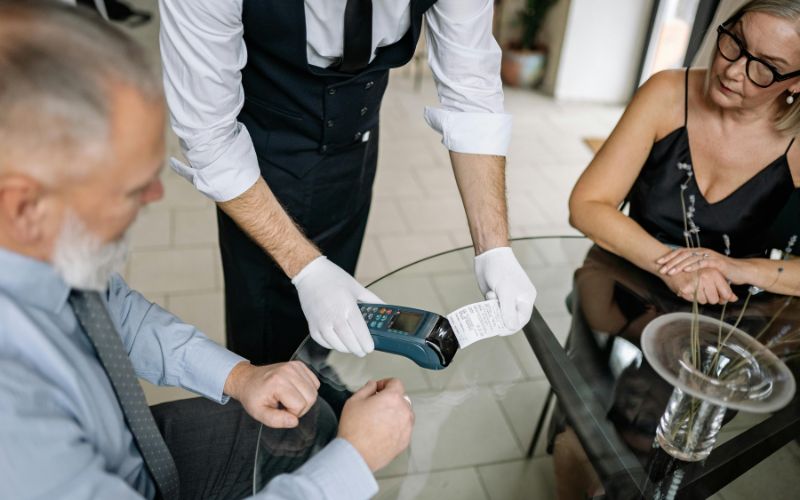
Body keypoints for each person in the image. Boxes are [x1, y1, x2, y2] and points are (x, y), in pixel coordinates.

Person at [0, 2, 413, 499]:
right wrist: (355, 463)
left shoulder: (33, 249)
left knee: (307, 425)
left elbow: (112, 315)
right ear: (24, 205)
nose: (155, 198)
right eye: (130, 189)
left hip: (127, 447)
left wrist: (240, 377)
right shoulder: (16, 423)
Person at [158, 0, 538, 364]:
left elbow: (471, 89)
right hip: (261, 164)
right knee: (268, 339)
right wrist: (307, 269)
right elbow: (208, 138)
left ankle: (318, 370)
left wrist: (494, 249)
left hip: (358, 146)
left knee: (336, 313)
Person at [569, 0, 800, 307]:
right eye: (735, 42)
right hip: (621, 289)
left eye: (765, 68)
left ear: (796, 83)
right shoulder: (666, 93)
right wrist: (673, 267)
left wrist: (735, 268)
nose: (732, 70)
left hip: (728, 316)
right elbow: (586, 206)